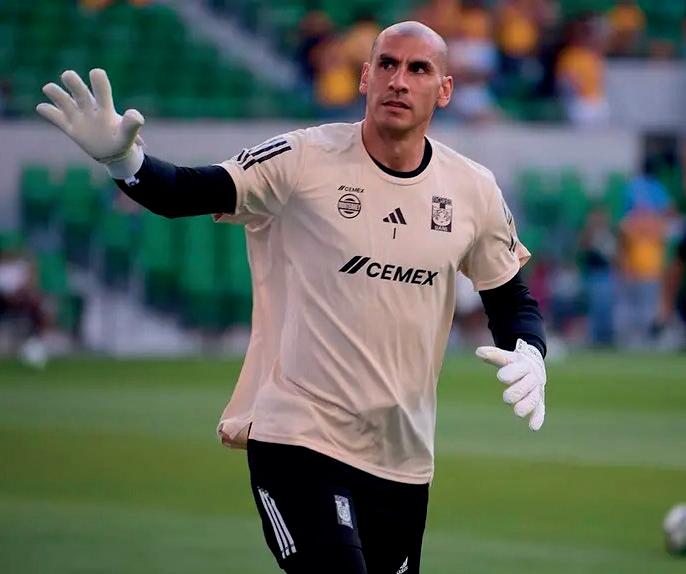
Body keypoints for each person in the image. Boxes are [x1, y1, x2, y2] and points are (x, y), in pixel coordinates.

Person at [36, 21, 547, 574]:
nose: (399, 80)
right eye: (387, 65)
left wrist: (531, 351)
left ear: (444, 90)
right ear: (364, 77)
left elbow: (509, 298)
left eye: (418, 69)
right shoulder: (304, 157)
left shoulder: (473, 189)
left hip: (402, 458)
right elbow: (185, 190)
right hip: (299, 439)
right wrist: (125, 163)